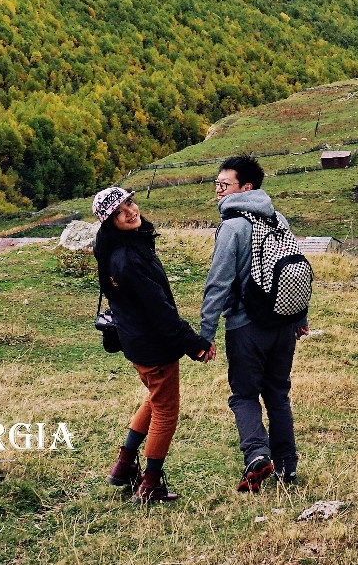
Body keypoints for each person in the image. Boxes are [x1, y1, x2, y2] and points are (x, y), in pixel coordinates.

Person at [93, 186, 213, 505]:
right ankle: (150, 485)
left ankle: (123, 464)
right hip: (152, 346)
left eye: (129, 203)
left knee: (155, 399)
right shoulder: (128, 258)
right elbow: (159, 310)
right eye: (120, 212)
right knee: (166, 411)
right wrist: (195, 344)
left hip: (138, 343)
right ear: (110, 223)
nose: (130, 211)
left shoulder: (120, 249)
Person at [199, 155, 308, 492]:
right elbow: (293, 271)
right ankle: (287, 467)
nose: (218, 191)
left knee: (244, 395)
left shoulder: (233, 226)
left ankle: (257, 456)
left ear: (246, 188)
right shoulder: (278, 219)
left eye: (224, 185)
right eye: (216, 184)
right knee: (278, 395)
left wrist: (205, 334)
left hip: (246, 327)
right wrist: (300, 317)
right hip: (283, 325)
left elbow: (218, 283)